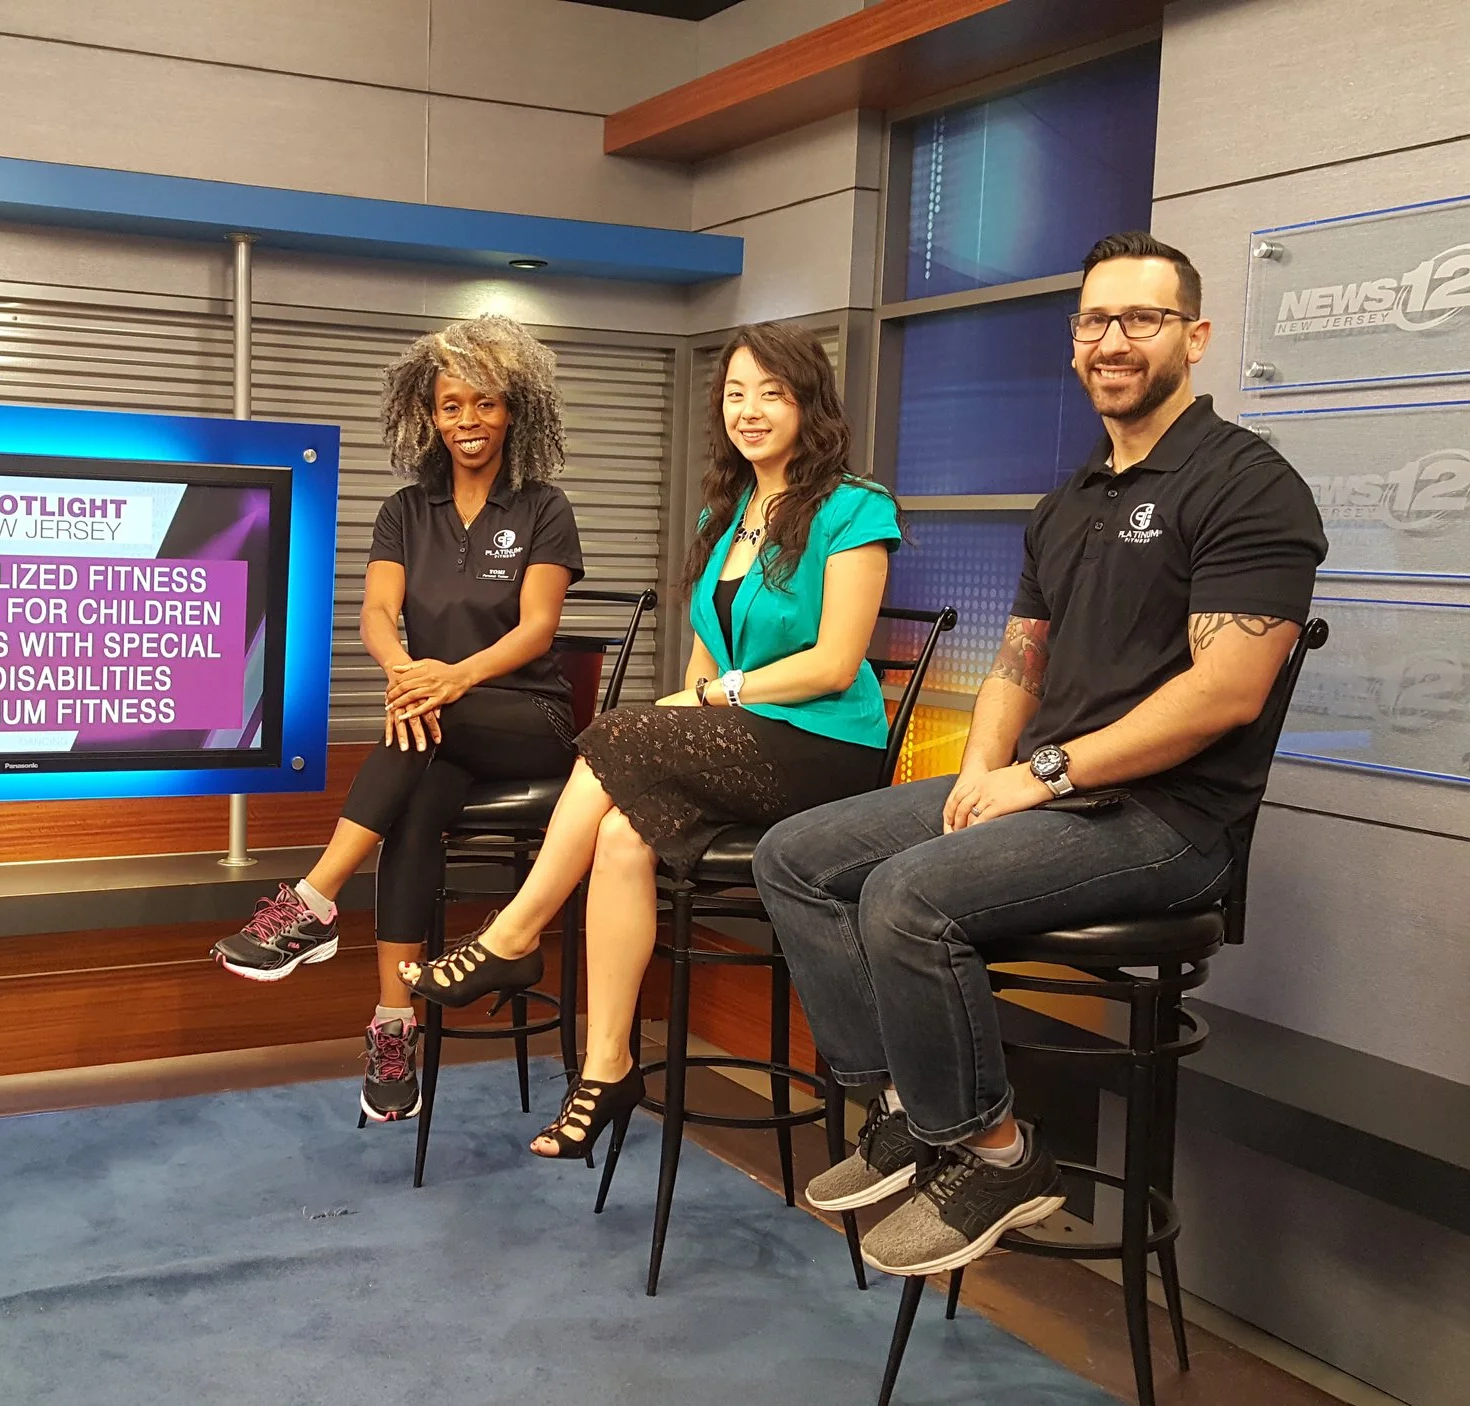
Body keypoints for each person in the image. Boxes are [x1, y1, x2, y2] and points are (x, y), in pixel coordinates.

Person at [752, 231, 1327, 1278]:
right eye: (1095, 321)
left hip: (1169, 822)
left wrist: (1043, 775)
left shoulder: (1247, 483)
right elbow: (1019, 665)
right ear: (1074, 344)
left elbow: (1224, 690)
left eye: (1141, 319)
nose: (1114, 340)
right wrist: (980, 769)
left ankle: (995, 1149)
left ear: (1193, 336)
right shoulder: (1066, 504)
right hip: (1051, 795)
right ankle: (905, 1110)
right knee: (791, 854)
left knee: (905, 896)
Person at [399, 321, 901, 1160]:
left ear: (808, 404)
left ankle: (513, 934)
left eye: (772, 394)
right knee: (623, 833)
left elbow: (833, 662)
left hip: (830, 749)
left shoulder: (856, 506)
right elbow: (711, 643)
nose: (751, 411)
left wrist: (706, 696)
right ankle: (608, 1067)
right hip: (746, 739)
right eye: (736, 394)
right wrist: (689, 704)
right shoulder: (728, 510)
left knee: (618, 735)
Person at [209, 314, 585, 1124]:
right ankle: (392, 1025)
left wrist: (452, 678)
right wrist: (406, 671)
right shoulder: (406, 510)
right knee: (413, 811)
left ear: (513, 410)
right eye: (451, 406)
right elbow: (377, 613)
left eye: (484, 404)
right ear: (430, 415)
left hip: (532, 722)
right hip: (437, 723)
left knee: (418, 725)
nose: (468, 422)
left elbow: (536, 631)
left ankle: (312, 902)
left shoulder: (543, 506)